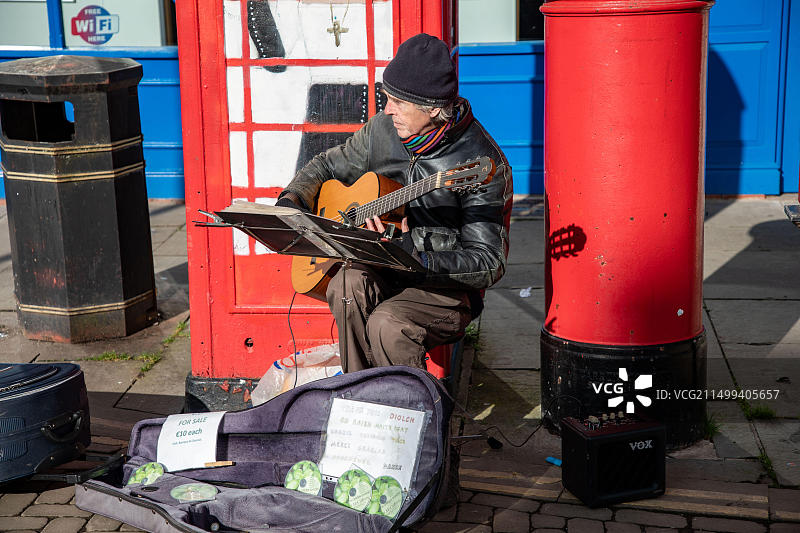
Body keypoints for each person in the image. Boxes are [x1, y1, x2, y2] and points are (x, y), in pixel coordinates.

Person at [276, 33, 512, 373]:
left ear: (433, 109)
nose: (388, 110)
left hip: (443, 290)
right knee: (345, 285)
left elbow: (489, 262)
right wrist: (294, 199)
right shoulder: (381, 131)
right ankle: (359, 395)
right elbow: (326, 165)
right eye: (387, 99)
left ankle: (410, 414)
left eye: (399, 103)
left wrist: (417, 256)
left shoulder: (482, 162)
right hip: (384, 269)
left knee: (388, 324)